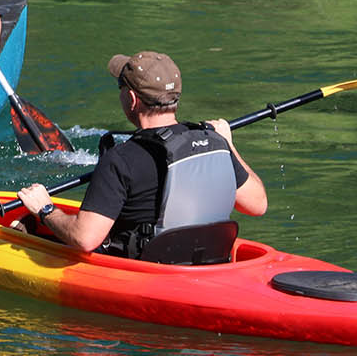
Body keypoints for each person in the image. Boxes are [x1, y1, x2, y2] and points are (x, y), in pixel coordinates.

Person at [15, 51, 267, 257]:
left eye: (120, 87)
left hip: (145, 271)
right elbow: (257, 205)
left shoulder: (121, 158)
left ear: (132, 99)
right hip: (208, 260)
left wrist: (45, 209)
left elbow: (85, 239)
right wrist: (228, 144)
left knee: (28, 226)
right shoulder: (213, 142)